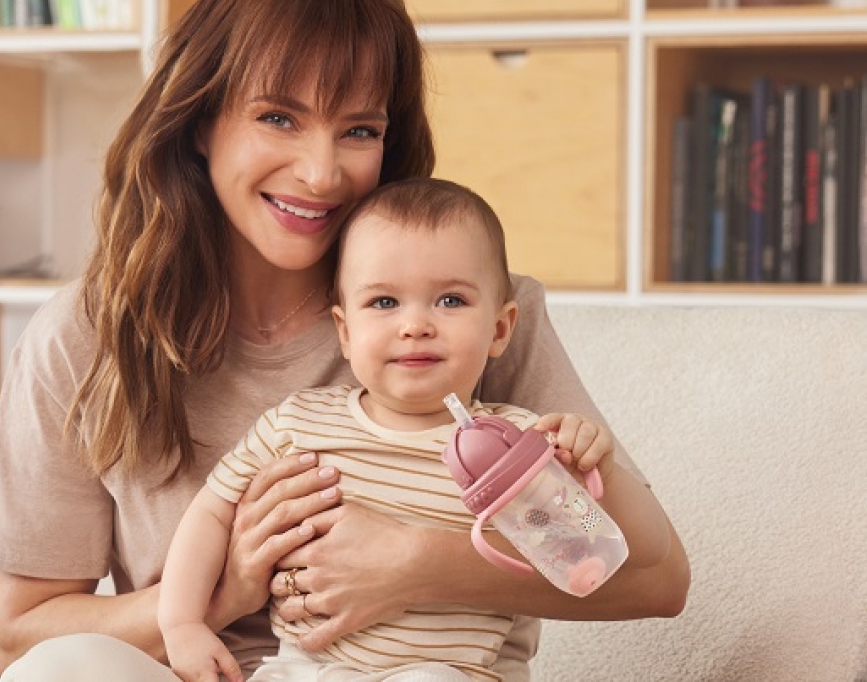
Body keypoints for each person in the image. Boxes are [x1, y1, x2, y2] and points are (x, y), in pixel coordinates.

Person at [0, 0, 689, 682]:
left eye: (359, 130)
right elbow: (20, 641)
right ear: (201, 118)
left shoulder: (471, 317)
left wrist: (416, 564)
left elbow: (656, 578)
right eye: (278, 118)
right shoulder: (87, 336)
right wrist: (225, 589)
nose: (319, 173)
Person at [158, 179, 674, 682]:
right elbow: (211, 513)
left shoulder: (521, 443)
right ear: (345, 331)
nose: (415, 326)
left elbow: (647, 554)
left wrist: (602, 470)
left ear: (499, 329)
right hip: (305, 667)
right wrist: (182, 622)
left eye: (450, 300)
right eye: (384, 302)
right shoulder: (296, 422)